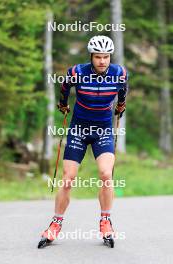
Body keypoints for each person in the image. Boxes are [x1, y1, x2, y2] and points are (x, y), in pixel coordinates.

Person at [39, 35, 128, 246]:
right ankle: (55, 223)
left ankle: (105, 221)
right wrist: (63, 104)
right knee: (68, 178)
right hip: (79, 128)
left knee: (106, 174)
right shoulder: (77, 72)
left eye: (106, 56)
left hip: (104, 129)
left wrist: (120, 107)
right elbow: (64, 87)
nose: (102, 61)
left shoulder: (120, 73)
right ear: (91, 56)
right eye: (98, 56)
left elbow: (123, 92)